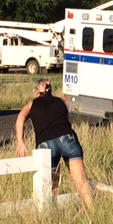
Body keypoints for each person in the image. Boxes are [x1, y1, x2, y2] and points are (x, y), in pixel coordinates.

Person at [15, 77, 95, 210]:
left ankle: (51, 211)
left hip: (46, 144)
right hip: (67, 138)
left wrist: (20, 142)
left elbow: (20, 118)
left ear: (36, 91)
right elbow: (66, 120)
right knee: (81, 180)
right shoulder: (60, 102)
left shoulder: (32, 104)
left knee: (51, 183)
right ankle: (91, 210)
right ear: (50, 90)